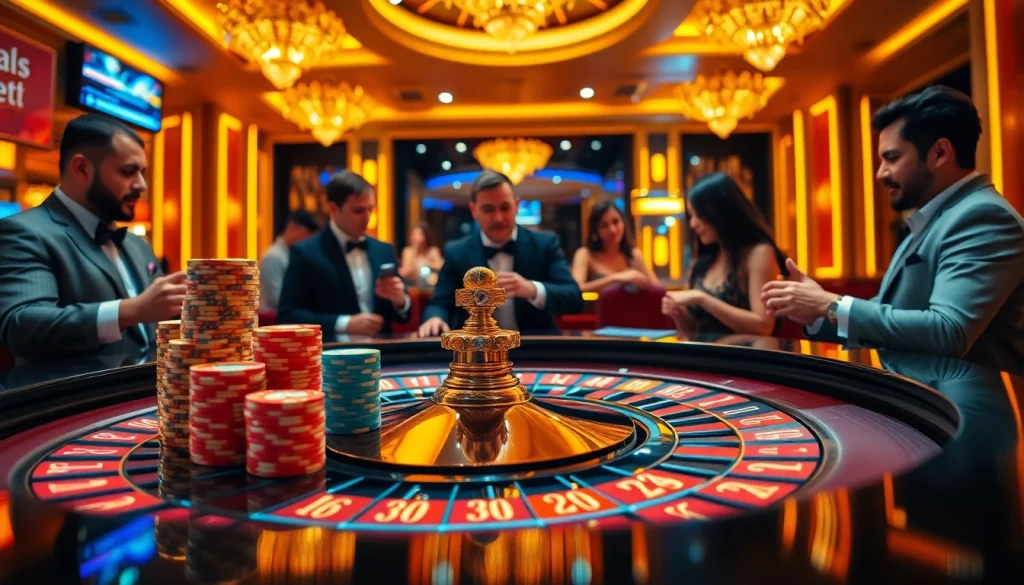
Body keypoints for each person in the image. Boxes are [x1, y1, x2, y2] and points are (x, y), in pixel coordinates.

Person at [762, 85, 1024, 372]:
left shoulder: (983, 215)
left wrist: (830, 304)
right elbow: (891, 313)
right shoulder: (933, 216)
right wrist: (813, 312)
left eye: (892, 158)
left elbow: (949, 331)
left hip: (973, 412)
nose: (880, 173)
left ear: (939, 153)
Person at [0, 114, 186, 360]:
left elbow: (161, 316)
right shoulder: (24, 231)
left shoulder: (137, 244)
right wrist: (132, 310)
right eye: (128, 171)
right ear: (81, 168)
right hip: (74, 397)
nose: (142, 185)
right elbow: (21, 326)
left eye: (142, 173)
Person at [419, 170, 583, 336]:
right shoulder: (456, 251)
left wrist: (532, 289)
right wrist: (435, 318)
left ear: (517, 206)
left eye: (505, 207)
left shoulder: (545, 244)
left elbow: (573, 298)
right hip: (477, 353)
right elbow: (440, 303)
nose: (498, 218)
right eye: (488, 209)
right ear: (473, 210)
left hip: (535, 350)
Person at [277, 170, 410, 341]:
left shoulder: (384, 250)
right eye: (358, 211)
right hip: (330, 356)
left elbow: (403, 316)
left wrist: (400, 301)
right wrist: (344, 323)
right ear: (333, 209)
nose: (367, 218)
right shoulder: (305, 252)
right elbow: (288, 315)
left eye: (370, 209)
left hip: (383, 355)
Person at [661, 173, 787, 336]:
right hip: (707, 358)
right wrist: (678, 314)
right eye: (691, 216)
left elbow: (763, 326)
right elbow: (693, 333)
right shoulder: (703, 257)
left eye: (699, 216)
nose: (692, 224)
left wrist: (702, 299)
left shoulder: (758, 253)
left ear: (721, 213)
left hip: (747, 358)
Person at [571, 200, 657, 292]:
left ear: (623, 222)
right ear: (595, 230)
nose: (612, 230)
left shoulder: (634, 255)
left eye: (616, 222)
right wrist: (616, 278)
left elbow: (657, 288)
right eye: (604, 225)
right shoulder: (585, 254)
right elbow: (575, 289)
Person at [258, 210, 320, 312]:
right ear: (292, 227)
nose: (310, 239)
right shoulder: (273, 257)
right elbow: (278, 300)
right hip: (273, 323)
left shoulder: (295, 255)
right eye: (308, 233)